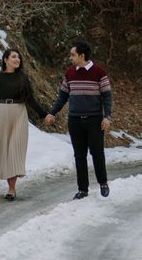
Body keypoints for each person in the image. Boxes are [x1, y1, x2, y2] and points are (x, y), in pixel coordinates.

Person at [44, 39, 113, 200]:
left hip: (94, 120)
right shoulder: (70, 73)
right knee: (79, 155)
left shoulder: (99, 72)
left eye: (73, 55)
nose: (71, 57)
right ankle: (83, 189)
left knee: (97, 153)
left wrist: (107, 117)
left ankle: (103, 183)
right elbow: (62, 96)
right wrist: (52, 113)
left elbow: (107, 97)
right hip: (74, 120)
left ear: (82, 55)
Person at [0, 48, 47, 201]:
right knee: (5, 149)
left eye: (18, 57)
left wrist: (43, 114)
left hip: (19, 113)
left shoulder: (23, 78)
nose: (17, 59)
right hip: (1, 113)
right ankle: (10, 186)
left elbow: (30, 98)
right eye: (13, 57)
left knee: (15, 149)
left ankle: (12, 188)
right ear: (5, 60)